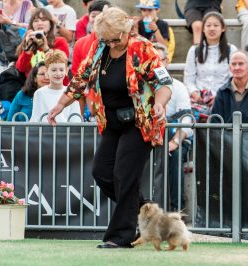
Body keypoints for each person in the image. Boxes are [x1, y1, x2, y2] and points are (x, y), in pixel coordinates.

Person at [47, 7, 172, 249]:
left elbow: (163, 82)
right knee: (101, 172)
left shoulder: (142, 48)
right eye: (107, 40)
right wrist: (59, 106)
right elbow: (80, 78)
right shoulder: (99, 48)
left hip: (140, 122)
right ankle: (150, 217)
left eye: (117, 39)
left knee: (124, 176)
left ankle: (120, 237)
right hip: (112, 122)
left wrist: (159, 103)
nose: (113, 44)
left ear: (127, 31)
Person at [149, 43, 193, 212]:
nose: (155, 66)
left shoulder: (178, 87)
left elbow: (187, 119)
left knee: (174, 154)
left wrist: (174, 141)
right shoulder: (143, 85)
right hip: (148, 137)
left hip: (174, 138)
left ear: (166, 62)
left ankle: (176, 212)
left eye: (159, 61)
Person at [184, 11, 237, 116]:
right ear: (203, 29)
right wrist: (195, 94)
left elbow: (233, 79)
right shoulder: (194, 50)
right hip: (198, 99)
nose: (212, 28)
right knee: (187, 116)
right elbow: (188, 79)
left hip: (223, 98)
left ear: (223, 28)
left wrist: (219, 96)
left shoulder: (231, 50)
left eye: (216, 25)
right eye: (208, 25)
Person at [15, 8, 69, 81]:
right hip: (34, 85)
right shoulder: (29, 41)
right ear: (32, 25)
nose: (39, 23)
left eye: (43, 20)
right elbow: (21, 68)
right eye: (36, 21)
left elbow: (61, 67)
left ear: (50, 25)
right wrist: (28, 50)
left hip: (55, 84)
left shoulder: (60, 41)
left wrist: (46, 48)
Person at [30, 49, 80, 122]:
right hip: (45, 132)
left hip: (66, 132)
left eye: (61, 70)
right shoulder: (39, 93)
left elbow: (76, 120)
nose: (58, 73)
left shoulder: (71, 92)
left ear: (66, 70)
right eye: (54, 70)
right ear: (47, 71)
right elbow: (35, 119)